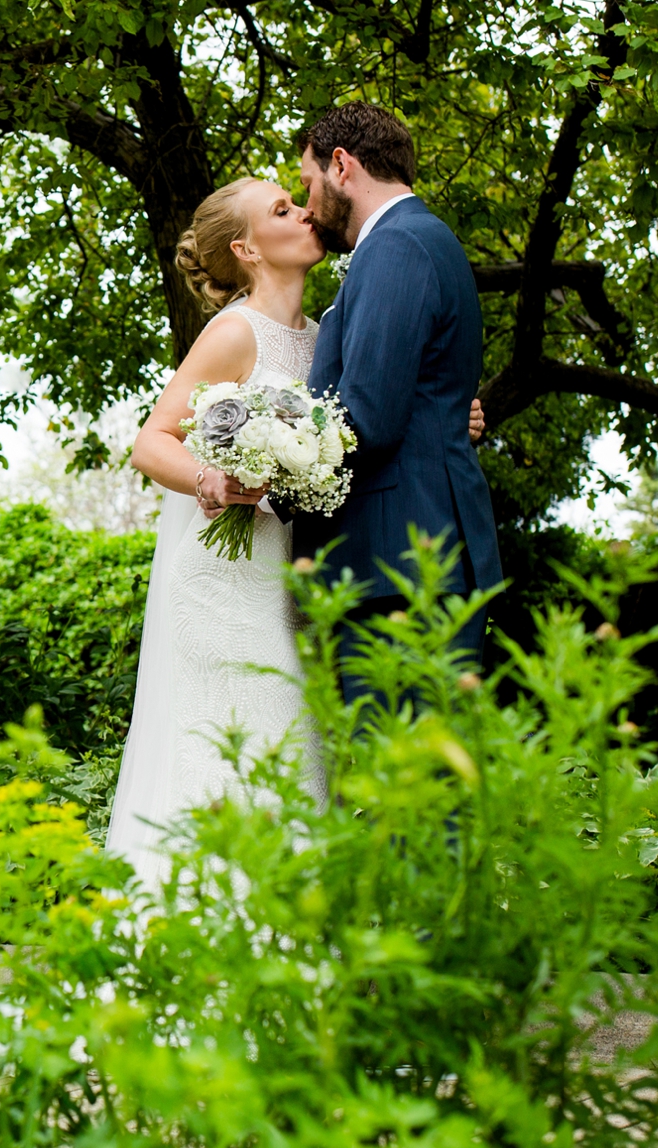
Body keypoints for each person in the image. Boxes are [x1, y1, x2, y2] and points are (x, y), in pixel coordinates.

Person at [109, 174, 484, 890]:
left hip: (285, 577)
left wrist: (451, 416)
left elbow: (367, 415)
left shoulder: (323, 337)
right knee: (224, 744)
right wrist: (210, 481)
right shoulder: (232, 332)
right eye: (282, 209)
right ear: (248, 249)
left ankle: (279, 944)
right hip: (221, 581)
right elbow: (152, 441)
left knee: (290, 747)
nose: (306, 211)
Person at [268, 101, 501, 703]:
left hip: (399, 560)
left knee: (401, 779)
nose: (309, 207)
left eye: (309, 185)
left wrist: (264, 481)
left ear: (341, 166)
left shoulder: (394, 246)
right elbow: (419, 393)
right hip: (410, 555)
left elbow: (366, 417)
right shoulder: (419, 239)